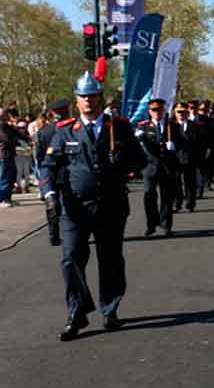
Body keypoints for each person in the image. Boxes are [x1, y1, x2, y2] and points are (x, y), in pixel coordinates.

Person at [38, 71, 147, 340]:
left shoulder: (118, 127)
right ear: (77, 100)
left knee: (110, 259)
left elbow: (139, 161)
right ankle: (77, 311)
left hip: (110, 205)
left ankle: (110, 308)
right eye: (83, 97)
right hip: (74, 207)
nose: (88, 101)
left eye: (92, 96)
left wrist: (122, 163)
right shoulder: (64, 131)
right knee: (70, 257)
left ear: (100, 98)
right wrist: (49, 193)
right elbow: (48, 167)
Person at [136, 98, 185, 237]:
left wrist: (175, 146)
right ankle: (151, 224)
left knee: (167, 197)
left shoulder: (173, 126)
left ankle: (166, 224)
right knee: (149, 196)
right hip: (150, 166)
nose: (157, 112)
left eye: (159, 109)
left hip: (167, 166)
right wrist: (139, 138)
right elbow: (138, 146)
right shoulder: (143, 127)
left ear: (164, 110)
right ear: (149, 111)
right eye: (154, 110)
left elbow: (182, 143)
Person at [34, 99, 72, 245]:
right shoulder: (71, 128)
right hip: (68, 171)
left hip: (50, 172)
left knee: (51, 204)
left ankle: (53, 235)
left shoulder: (43, 131)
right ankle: (70, 233)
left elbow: (39, 156)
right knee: (69, 205)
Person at [0, 109, 29, 207]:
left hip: (10, 154)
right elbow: (6, 138)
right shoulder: (1, 126)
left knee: (11, 177)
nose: (15, 119)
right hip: (3, 155)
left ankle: (8, 198)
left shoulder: (8, 126)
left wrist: (28, 140)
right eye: (14, 116)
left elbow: (19, 135)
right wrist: (17, 140)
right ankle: (2, 199)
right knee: (4, 177)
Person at [172, 102, 198, 213]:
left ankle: (190, 203)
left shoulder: (195, 126)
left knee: (190, 182)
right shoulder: (170, 126)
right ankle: (177, 203)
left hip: (190, 157)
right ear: (175, 113)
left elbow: (200, 143)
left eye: (183, 112)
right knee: (175, 182)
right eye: (179, 112)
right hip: (175, 158)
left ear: (187, 113)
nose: (181, 114)